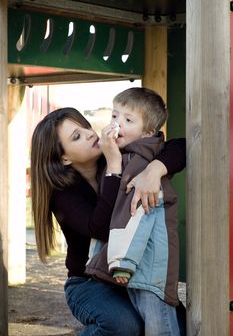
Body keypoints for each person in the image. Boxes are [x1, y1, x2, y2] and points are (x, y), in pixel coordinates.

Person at [30, 106, 186, 336]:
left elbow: (179, 146)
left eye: (85, 127)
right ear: (64, 158)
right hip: (88, 282)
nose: (90, 133)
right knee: (125, 326)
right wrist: (114, 167)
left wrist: (154, 170)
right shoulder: (61, 194)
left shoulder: (119, 153)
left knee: (174, 323)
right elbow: (101, 229)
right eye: (77, 136)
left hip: (130, 273)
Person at [85, 87, 181, 335]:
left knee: (159, 325)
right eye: (115, 115)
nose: (118, 124)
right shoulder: (123, 156)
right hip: (139, 261)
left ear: (148, 132)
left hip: (146, 263)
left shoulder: (137, 162)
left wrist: (122, 262)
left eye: (128, 120)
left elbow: (133, 214)